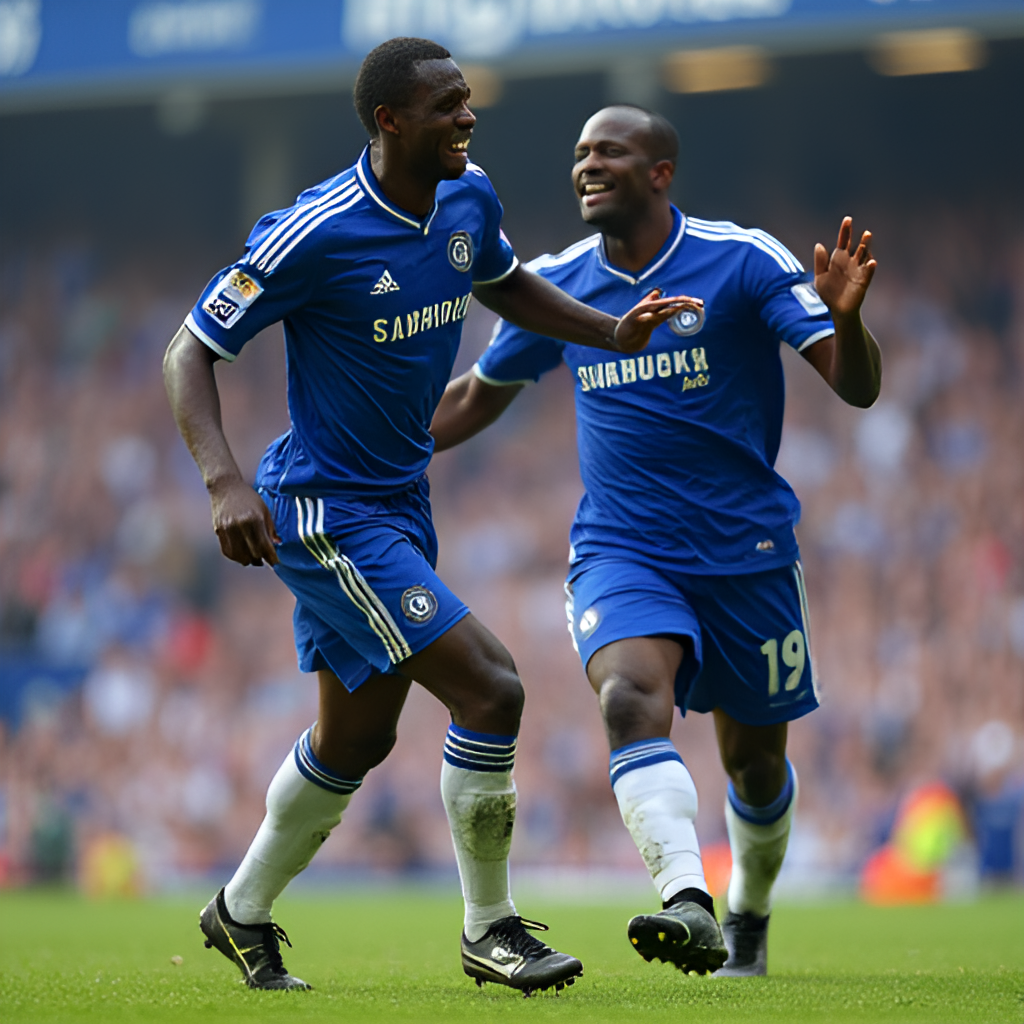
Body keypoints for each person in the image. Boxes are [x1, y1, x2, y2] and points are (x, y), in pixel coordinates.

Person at [163, 42, 693, 995]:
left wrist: (607, 328)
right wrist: (221, 482)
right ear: (390, 121)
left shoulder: (468, 197)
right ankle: (491, 930)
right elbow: (189, 350)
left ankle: (238, 910)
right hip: (327, 511)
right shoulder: (314, 231)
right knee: (492, 688)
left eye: (468, 100)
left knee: (356, 739)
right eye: (448, 104)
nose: (467, 117)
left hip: (402, 501)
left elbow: (503, 281)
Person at [430, 104, 880, 977]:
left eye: (610, 152)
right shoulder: (556, 285)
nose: (587, 165)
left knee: (755, 767)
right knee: (630, 697)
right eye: (580, 153)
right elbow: (475, 397)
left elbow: (855, 387)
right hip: (622, 549)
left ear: (660, 172)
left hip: (748, 556)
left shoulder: (741, 260)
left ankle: (749, 912)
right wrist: (366, 449)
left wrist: (849, 322)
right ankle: (687, 900)